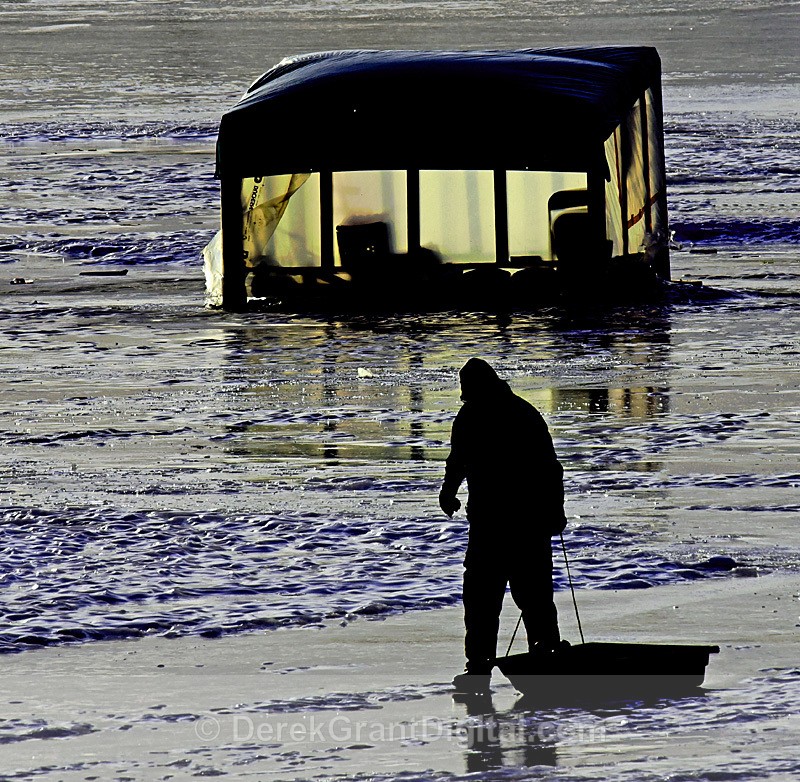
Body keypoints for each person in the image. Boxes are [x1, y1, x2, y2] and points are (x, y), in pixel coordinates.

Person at [439, 358, 566, 692]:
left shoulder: (494, 415)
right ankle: (522, 660)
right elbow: (551, 470)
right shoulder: (519, 413)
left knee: (496, 599)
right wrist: (448, 491)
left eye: (467, 390)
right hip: (513, 525)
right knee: (516, 598)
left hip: (506, 526)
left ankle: (491, 666)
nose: (464, 396)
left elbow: (549, 469)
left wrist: (448, 492)